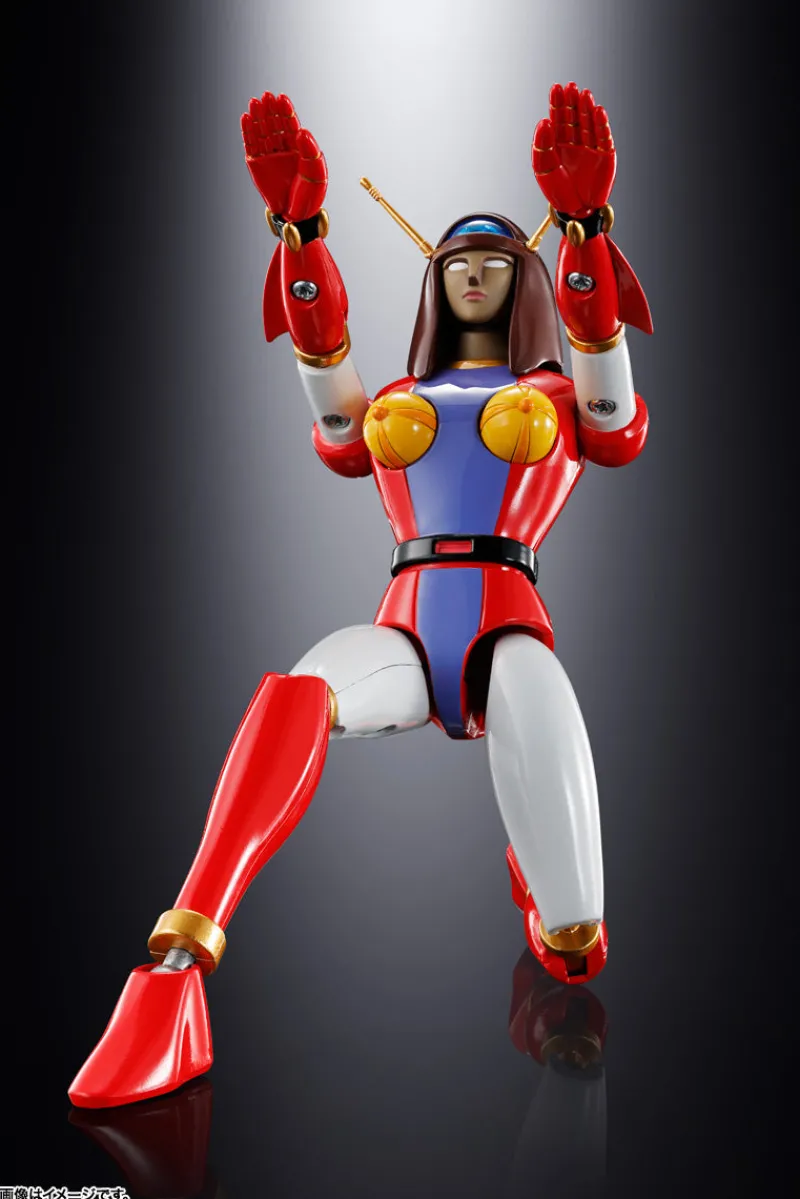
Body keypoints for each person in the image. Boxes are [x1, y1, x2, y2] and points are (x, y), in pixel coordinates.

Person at [69, 82, 652, 1109]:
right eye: (456, 264)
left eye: (494, 263)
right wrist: (299, 237)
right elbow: (332, 399)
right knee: (296, 691)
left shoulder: (560, 392)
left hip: (509, 626)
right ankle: (177, 963)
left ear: (525, 281)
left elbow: (612, 408)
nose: (474, 274)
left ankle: (544, 901)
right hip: (406, 623)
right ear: (434, 284)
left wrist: (587, 235)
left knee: (575, 945)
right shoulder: (396, 398)